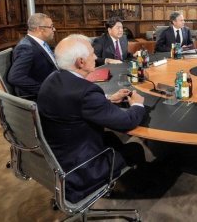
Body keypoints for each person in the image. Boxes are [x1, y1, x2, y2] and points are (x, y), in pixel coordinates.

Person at [37, 34, 146, 203]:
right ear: (80, 62)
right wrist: (137, 105)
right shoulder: (86, 92)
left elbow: (72, 106)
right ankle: (138, 194)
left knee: (110, 138)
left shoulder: (51, 79)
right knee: (135, 149)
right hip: (80, 169)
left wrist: (107, 100)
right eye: (92, 53)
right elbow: (127, 122)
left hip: (55, 158)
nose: (96, 57)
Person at [7, 13, 58, 100]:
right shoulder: (26, 48)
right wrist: (44, 90)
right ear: (40, 29)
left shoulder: (39, 42)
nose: (54, 29)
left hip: (53, 80)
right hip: (42, 93)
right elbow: (15, 77)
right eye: (51, 26)